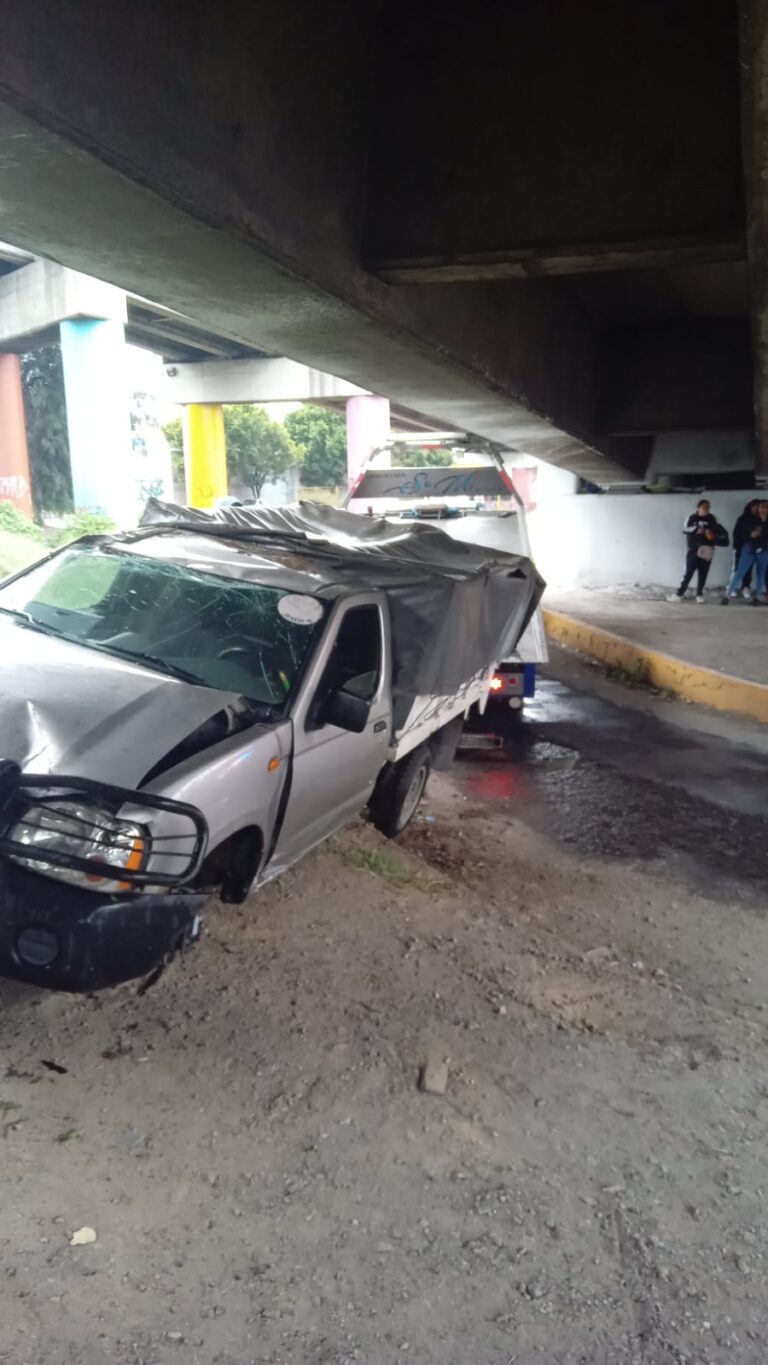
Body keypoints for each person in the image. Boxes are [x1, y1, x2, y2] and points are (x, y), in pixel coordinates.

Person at [668, 499, 723, 603]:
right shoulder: (691, 517)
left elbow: (718, 531)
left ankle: (699, 594)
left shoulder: (712, 518)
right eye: (704, 507)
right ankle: (679, 594)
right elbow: (684, 529)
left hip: (707, 550)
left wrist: (709, 533)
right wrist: (695, 529)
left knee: (703, 573)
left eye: (708, 507)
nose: (706, 509)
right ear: (698, 508)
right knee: (688, 573)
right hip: (693, 549)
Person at [723, 499, 768, 603]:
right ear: (758, 508)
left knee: (761, 573)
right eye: (762, 507)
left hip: (764, 550)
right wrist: (750, 535)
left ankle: (758, 596)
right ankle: (728, 594)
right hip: (749, 548)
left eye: (766, 507)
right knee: (740, 571)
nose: (764, 509)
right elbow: (741, 534)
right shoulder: (749, 519)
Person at [731, 499, 760, 598]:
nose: (757, 509)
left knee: (749, 568)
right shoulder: (742, 519)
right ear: (750, 507)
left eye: (759, 507)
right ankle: (732, 588)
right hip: (741, 547)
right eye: (755, 506)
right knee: (737, 569)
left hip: (754, 548)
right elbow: (737, 534)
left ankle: (746, 587)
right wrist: (750, 536)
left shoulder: (759, 520)